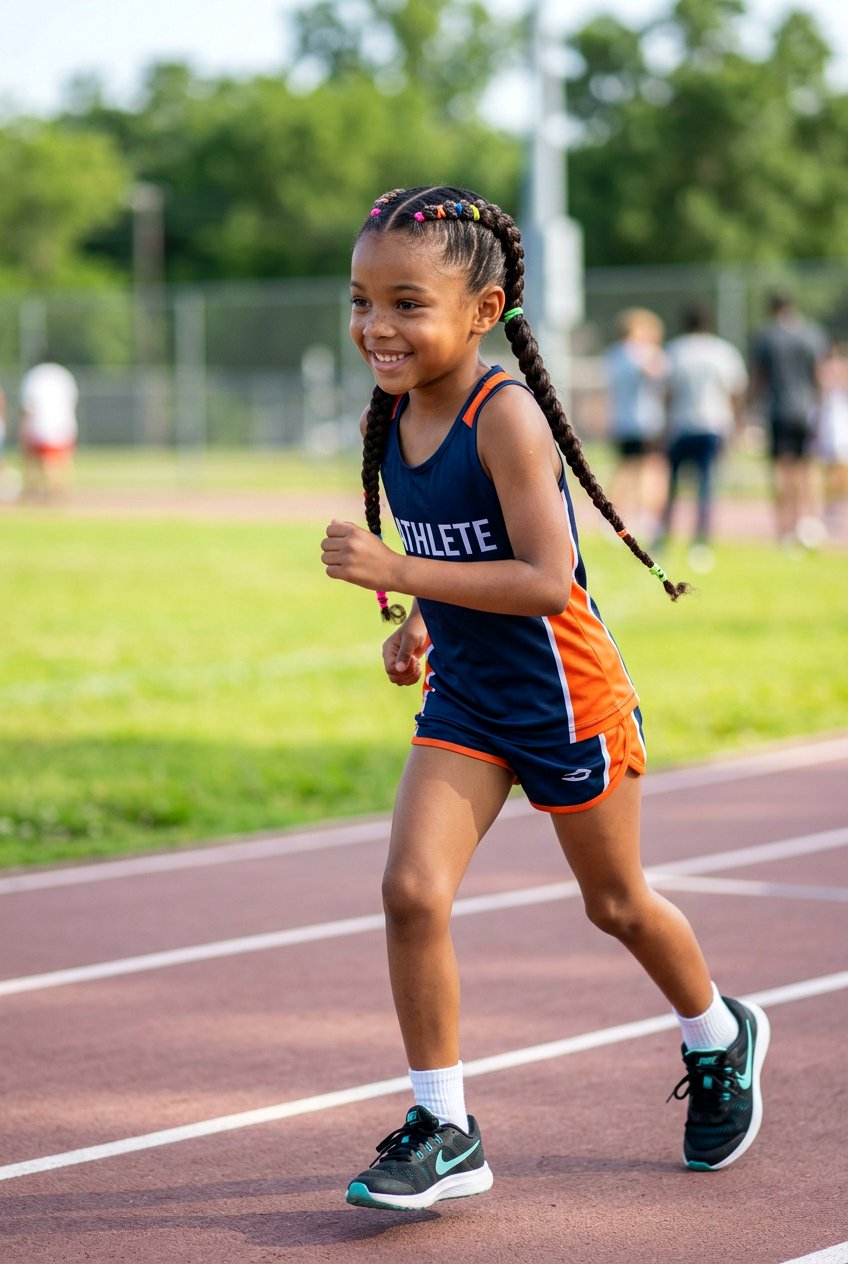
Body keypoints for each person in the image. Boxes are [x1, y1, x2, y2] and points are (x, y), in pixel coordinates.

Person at [321, 186, 769, 1212]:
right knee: (409, 891)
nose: (375, 328)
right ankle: (443, 1123)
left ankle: (715, 1030)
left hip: (566, 701)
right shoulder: (391, 416)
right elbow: (453, 556)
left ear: (480, 313)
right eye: (359, 301)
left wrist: (398, 567)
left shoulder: (503, 416)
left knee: (613, 903)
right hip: (468, 703)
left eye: (404, 303)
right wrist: (417, 623)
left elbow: (543, 578)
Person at [657, 304, 748, 569]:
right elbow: (736, 390)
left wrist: (664, 426)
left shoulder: (675, 351)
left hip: (681, 425)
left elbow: (667, 394)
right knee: (706, 485)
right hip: (713, 424)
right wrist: (737, 424)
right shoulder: (722, 351)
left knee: (672, 485)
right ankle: (700, 541)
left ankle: (664, 536)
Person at [750, 294, 827, 547]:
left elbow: (759, 380)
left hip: (779, 410)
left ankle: (785, 530)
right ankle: (811, 524)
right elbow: (819, 376)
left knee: (783, 471)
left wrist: (750, 411)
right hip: (806, 410)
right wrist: (821, 410)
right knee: (808, 469)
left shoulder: (768, 337)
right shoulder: (812, 334)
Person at [603, 307, 669, 540]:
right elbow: (660, 374)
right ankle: (647, 519)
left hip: (622, 420)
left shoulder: (613, 354)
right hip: (646, 421)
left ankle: (614, 519)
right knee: (652, 469)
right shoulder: (641, 352)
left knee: (625, 470)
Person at [19, 353, 79, 500]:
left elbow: (28, 406)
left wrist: (24, 428)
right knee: (61, 460)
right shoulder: (65, 375)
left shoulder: (34, 376)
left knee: (40, 461)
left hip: (41, 425)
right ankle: (59, 491)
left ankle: (42, 491)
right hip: (64, 425)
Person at [814, 341, 848, 532]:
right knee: (828, 468)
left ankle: (836, 507)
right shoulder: (821, 373)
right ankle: (830, 509)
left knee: (842, 468)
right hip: (827, 421)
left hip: (842, 421)